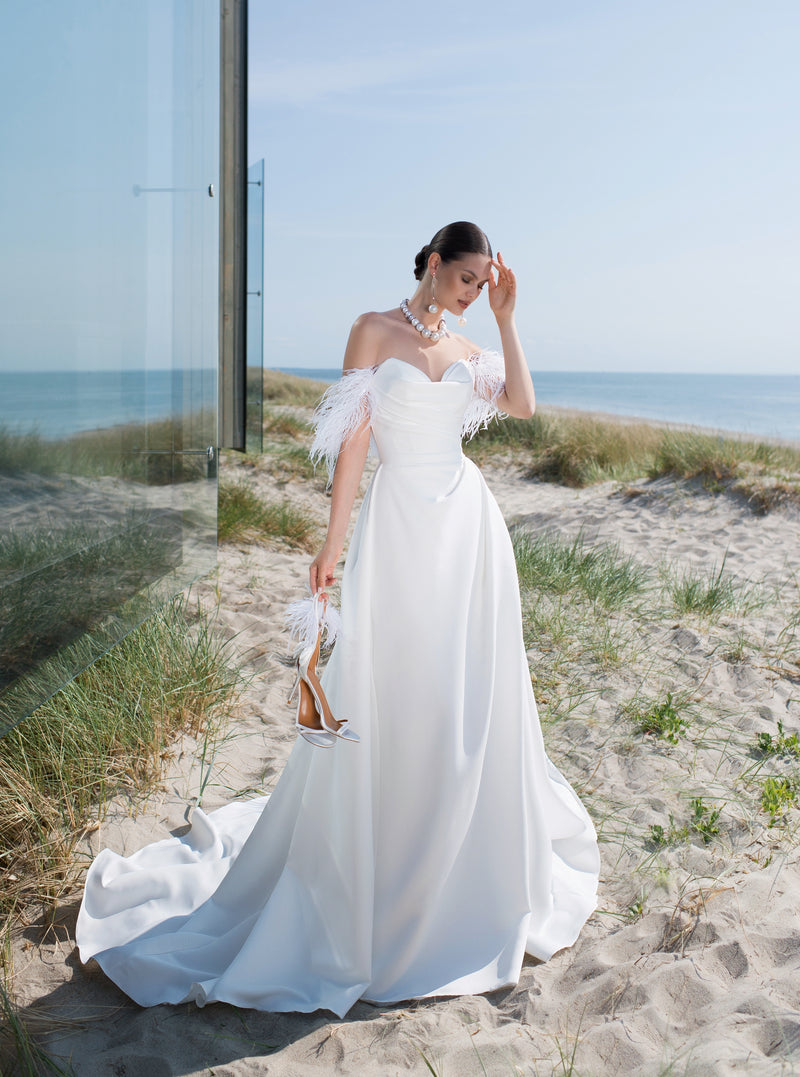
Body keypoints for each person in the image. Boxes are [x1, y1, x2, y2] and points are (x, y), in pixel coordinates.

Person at [76, 222, 600, 1018]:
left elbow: (523, 405)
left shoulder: (468, 345)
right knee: (391, 683)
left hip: (467, 533)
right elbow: (354, 445)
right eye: (466, 280)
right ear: (432, 263)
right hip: (397, 531)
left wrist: (506, 318)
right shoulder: (373, 329)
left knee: (462, 691)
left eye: (482, 281)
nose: (471, 292)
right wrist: (331, 544)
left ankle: (462, 861)